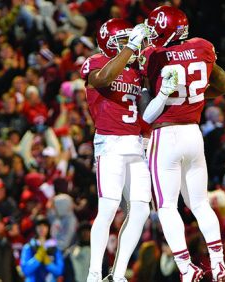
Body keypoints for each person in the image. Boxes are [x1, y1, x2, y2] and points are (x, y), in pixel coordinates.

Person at [140, 6, 225, 282]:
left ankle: (185, 267)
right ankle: (218, 263)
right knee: (201, 203)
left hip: (165, 135)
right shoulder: (203, 47)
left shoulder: (153, 55)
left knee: (167, 206)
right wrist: (197, 95)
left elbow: (146, 109)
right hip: (194, 132)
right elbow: (224, 83)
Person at [79, 18, 154, 282]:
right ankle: (94, 273)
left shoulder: (136, 69)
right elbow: (104, 79)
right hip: (110, 141)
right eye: (121, 41)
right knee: (109, 206)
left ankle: (118, 274)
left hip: (135, 142)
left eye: (129, 40)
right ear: (107, 43)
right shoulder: (97, 62)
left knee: (142, 210)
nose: (128, 46)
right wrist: (130, 48)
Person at [20, 215, 64, 282]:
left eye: (44, 226)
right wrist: (38, 257)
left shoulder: (55, 248)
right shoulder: (28, 247)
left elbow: (59, 271)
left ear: (49, 228)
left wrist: (48, 262)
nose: (42, 228)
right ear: (35, 228)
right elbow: (25, 270)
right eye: (39, 226)